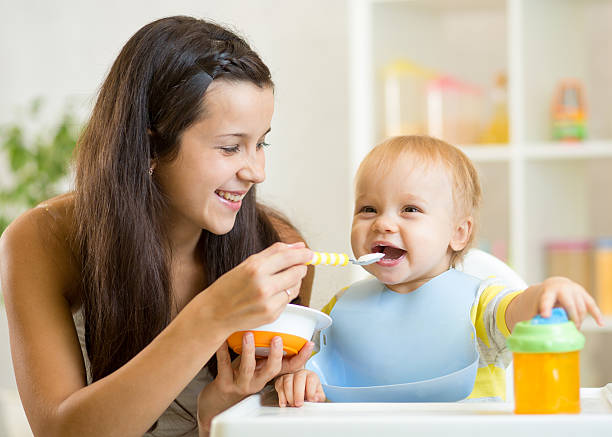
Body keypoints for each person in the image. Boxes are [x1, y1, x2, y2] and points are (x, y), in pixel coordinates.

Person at [0, 16, 325, 437]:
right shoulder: (41, 242)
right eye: (230, 147)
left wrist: (224, 417)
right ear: (151, 144)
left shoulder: (274, 247)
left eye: (261, 143)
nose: (256, 172)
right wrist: (212, 316)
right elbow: (63, 432)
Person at [279, 135, 603, 401]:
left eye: (410, 209)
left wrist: (547, 292)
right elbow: (303, 363)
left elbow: (518, 312)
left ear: (457, 233)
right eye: (368, 208)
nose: (383, 223)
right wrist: (298, 378)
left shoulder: (480, 303)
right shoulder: (340, 307)